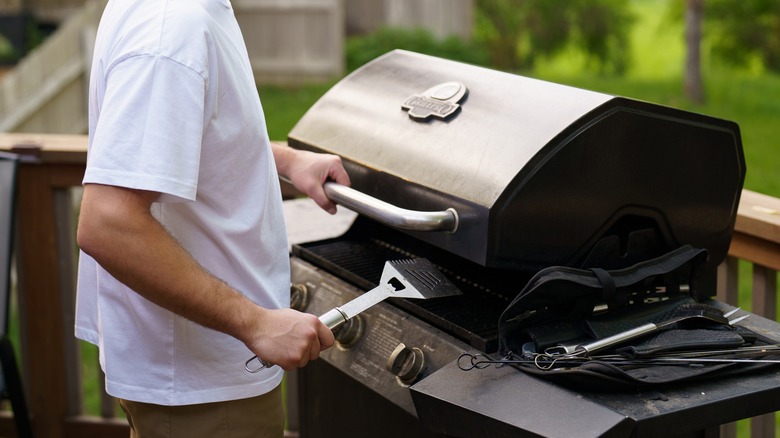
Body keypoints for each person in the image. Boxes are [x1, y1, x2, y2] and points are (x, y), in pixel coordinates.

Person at [74, 0, 350, 436]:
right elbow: (108, 223)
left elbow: (175, 135)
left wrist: (281, 158)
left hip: (199, 381)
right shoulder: (172, 27)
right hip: (204, 390)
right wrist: (256, 323)